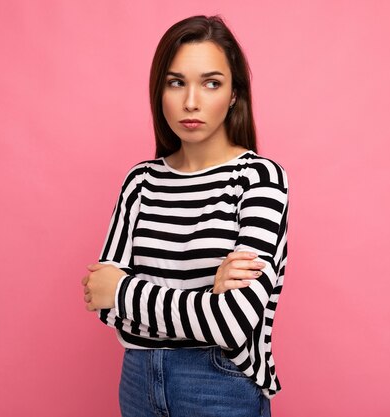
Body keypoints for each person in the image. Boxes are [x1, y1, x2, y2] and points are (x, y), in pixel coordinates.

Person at [81, 14, 289, 417]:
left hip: (218, 384)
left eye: (211, 83)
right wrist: (206, 298)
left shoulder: (259, 178)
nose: (191, 101)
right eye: (177, 82)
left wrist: (126, 292)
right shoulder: (140, 181)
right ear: (160, 90)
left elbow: (232, 323)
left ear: (233, 94)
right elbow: (101, 301)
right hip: (138, 380)